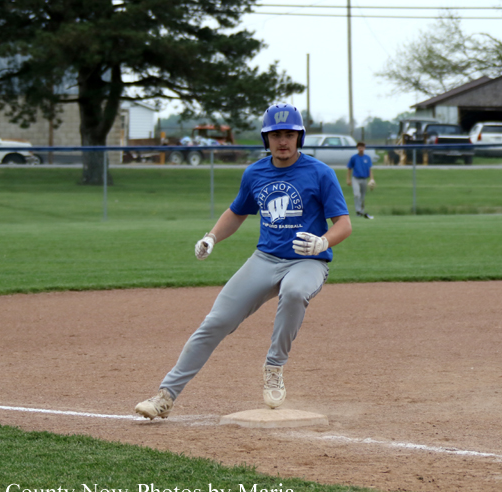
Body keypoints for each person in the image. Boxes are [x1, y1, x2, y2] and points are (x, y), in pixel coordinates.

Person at [135, 102, 352, 419]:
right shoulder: (256, 173)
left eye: (289, 134)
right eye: (275, 134)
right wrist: (211, 237)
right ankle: (165, 395)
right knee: (215, 322)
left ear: (299, 137)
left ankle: (274, 366)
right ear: (266, 139)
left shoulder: (321, 173)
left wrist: (322, 242)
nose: (282, 141)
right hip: (264, 259)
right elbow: (237, 212)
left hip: (308, 261)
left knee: (293, 292)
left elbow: (344, 224)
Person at [346, 142, 375, 219]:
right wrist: (348, 179)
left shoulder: (367, 158)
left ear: (364, 148)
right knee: (356, 194)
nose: (361, 149)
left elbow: (370, 169)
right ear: (357, 148)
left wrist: (372, 179)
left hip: (364, 179)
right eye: (359, 147)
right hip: (356, 178)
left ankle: (361, 211)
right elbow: (349, 168)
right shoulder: (354, 157)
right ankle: (358, 210)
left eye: (362, 147)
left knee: (362, 197)